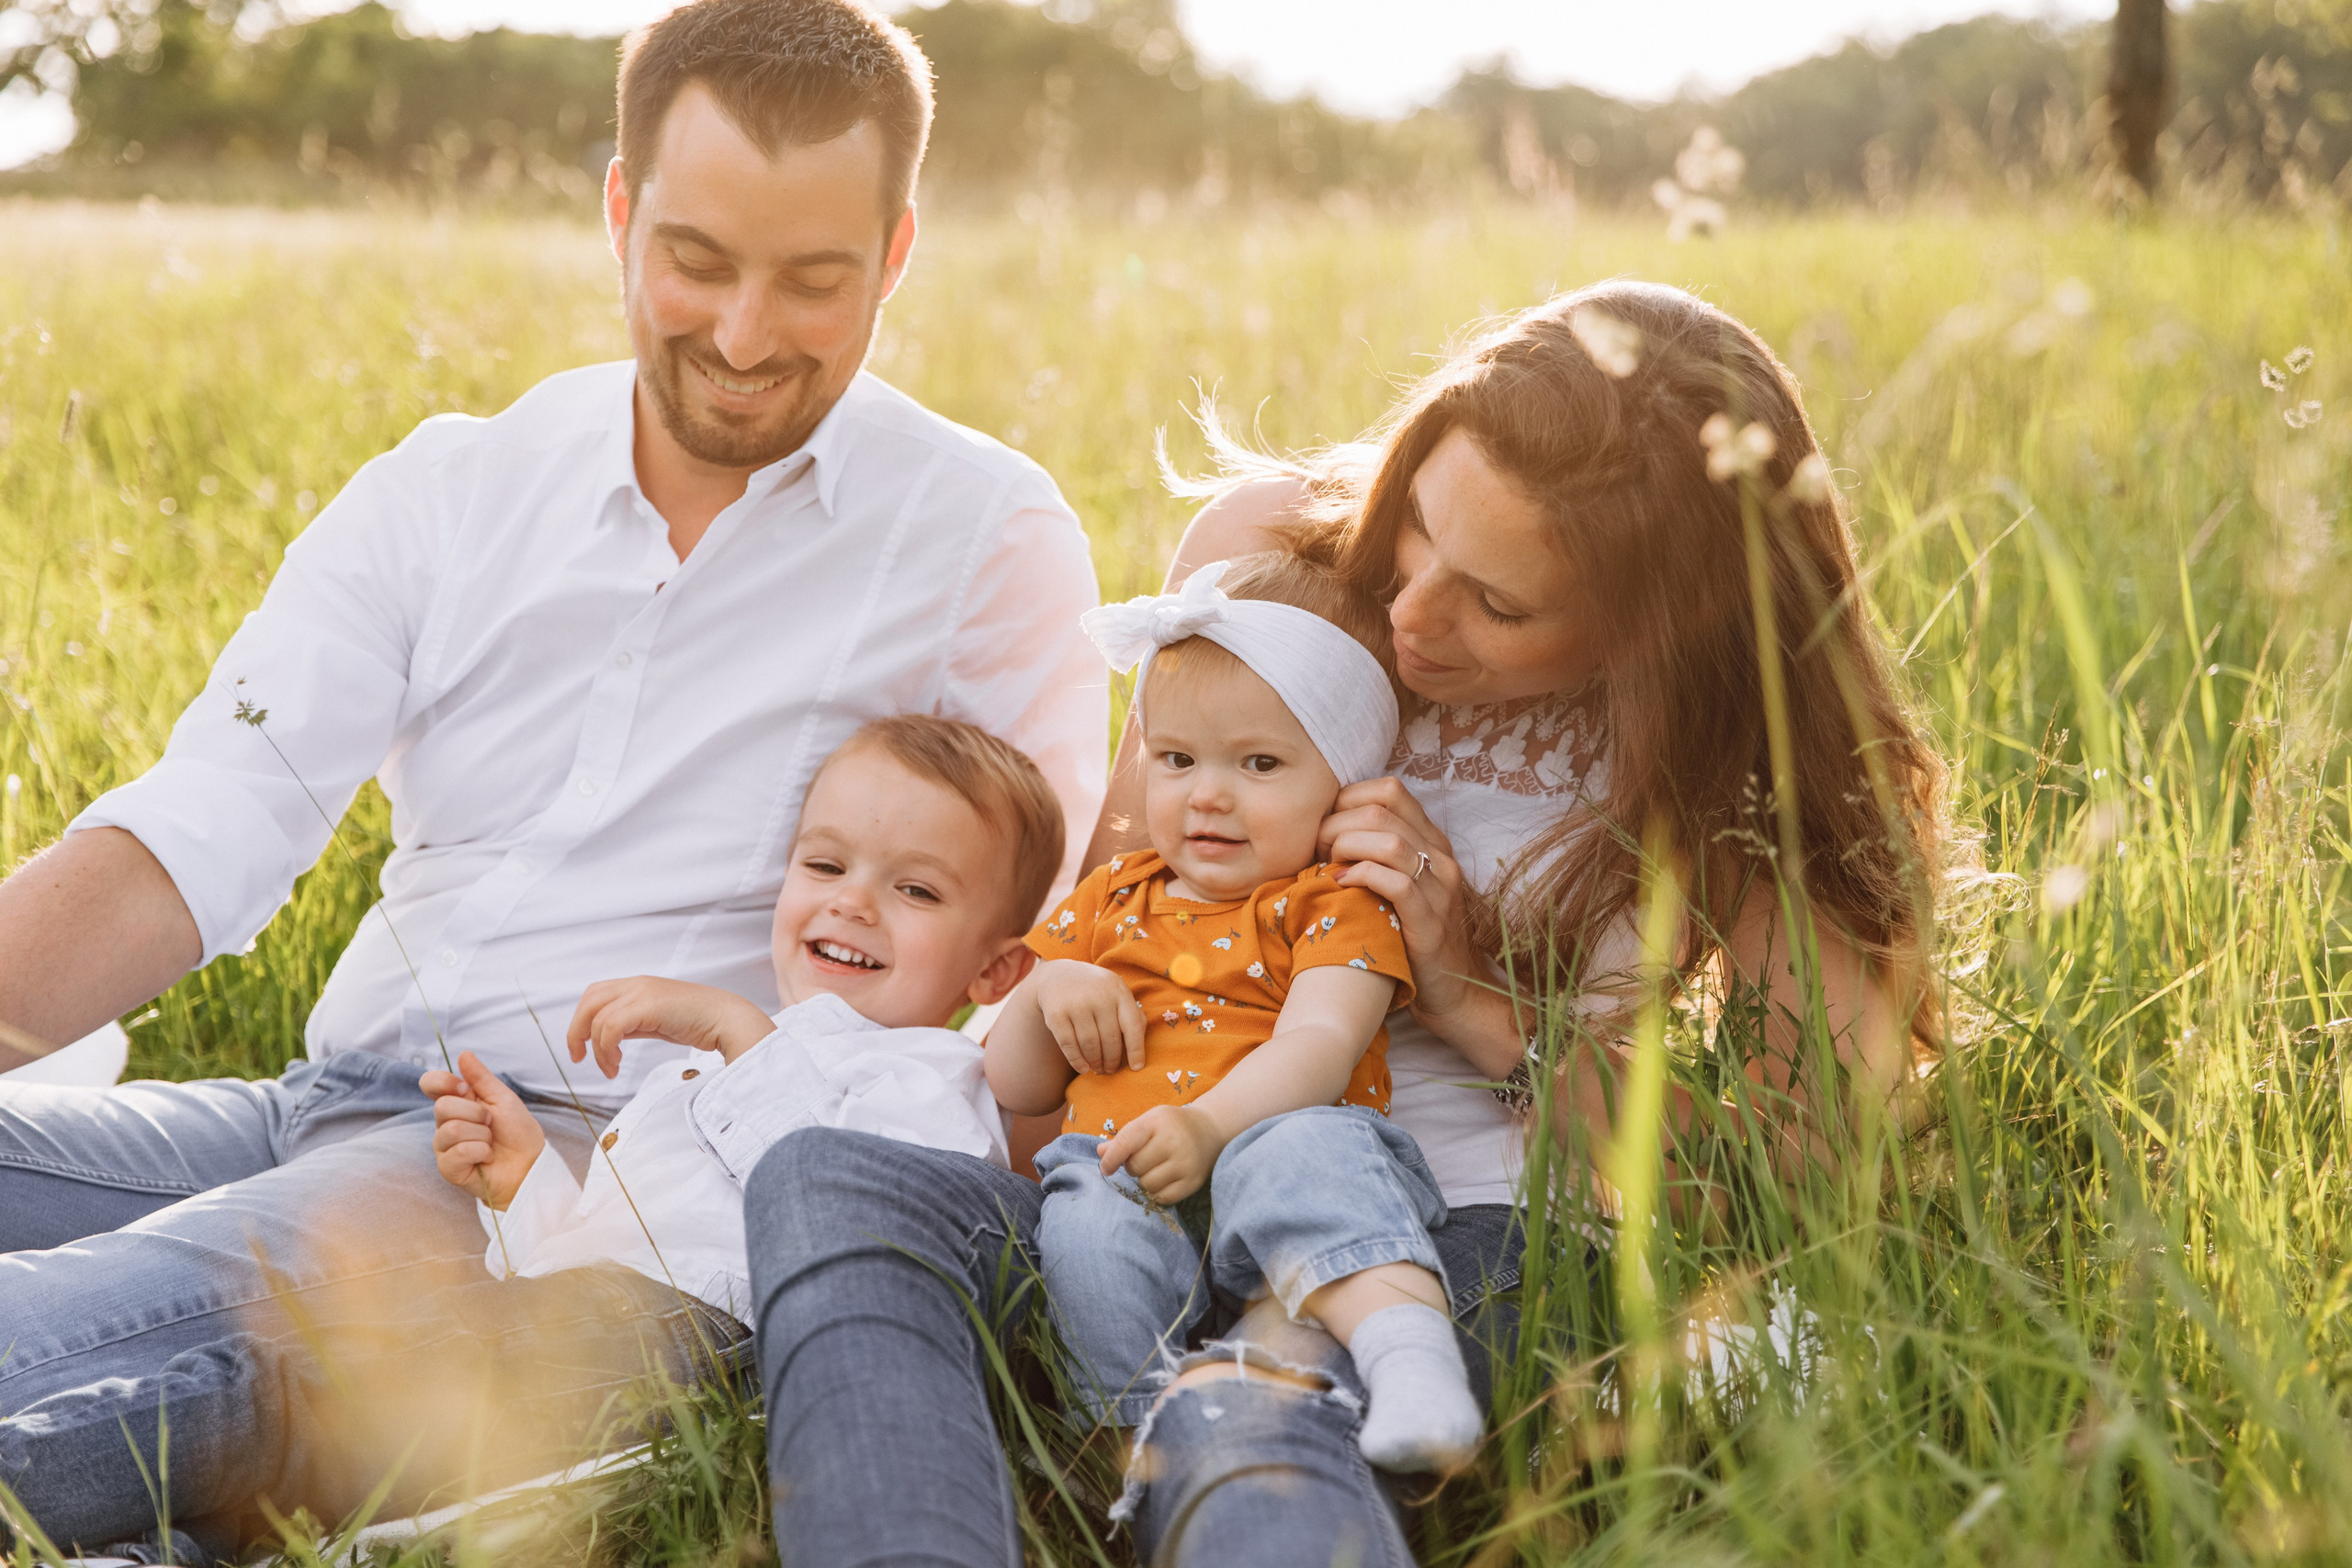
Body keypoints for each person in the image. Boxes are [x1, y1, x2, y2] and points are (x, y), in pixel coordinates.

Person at [0, 1, 1102, 1558]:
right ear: (617, 211)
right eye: (698, 260)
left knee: (39, 1340)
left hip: (577, 1168)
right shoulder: (455, 486)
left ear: (898, 254)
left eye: (813, 281)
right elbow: (195, 835)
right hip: (316, 1104)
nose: (740, 335)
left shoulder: (983, 536)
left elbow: (1037, 958)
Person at [744, 279, 1949, 1567]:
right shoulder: (1266, 551)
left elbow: (1790, 1180)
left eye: (1499, 604)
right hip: (1144, 1149)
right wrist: (1060, 1174)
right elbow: (1113, 918)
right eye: (1419, 521)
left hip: (1450, 1225)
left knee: (1250, 1389)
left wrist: (1471, 994)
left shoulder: (1741, 748)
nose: (1415, 609)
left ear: (1652, 634)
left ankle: (1238, 1432)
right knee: (828, 1185)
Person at [0, 717, 1060, 1547]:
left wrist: (741, 1035)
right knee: (307, 1440)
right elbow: (612, 1244)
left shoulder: (943, 1082)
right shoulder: (721, 1067)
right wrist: (525, 1190)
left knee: (272, 1395)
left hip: (699, 1355)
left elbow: (833, 1213)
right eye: (825, 868)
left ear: (995, 972)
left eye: (915, 889)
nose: (856, 904)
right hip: (588, 1319)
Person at [987, 553, 1482, 1476]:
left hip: (1280, 1157)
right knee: (1086, 1216)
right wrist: (1048, 992)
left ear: (1342, 783)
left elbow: (1322, 1045)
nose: (1206, 794)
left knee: (1309, 1155)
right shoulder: (1110, 899)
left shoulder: (1335, 902)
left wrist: (1211, 1125)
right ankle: (1126, 1442)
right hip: (1129, 1162)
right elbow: (1016, 1084)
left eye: (1258, 763)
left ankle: (1410, 1363)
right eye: (1176, 760)